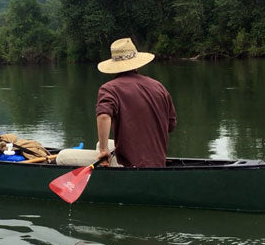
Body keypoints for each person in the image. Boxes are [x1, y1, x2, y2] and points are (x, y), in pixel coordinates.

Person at [57, 38, 176, 167]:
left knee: (62, 156)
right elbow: (170, 126)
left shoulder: (110, 88)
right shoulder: (158, 86)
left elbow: (103, 115)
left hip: (129, 164)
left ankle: (108, 160)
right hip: (158, 160)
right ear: (137, 63)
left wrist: (103, 151)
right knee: (101, 143)